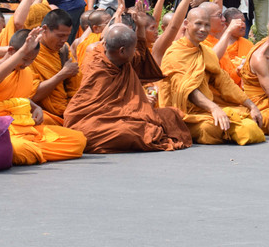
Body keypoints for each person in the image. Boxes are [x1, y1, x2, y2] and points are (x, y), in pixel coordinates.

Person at [63, 23, 192, 153]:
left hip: (124, 116)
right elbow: (108, 108)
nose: (135, 51)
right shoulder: (98, 67)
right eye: (133, 48)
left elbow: (140, 54)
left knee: (171, 114)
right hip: (92, 120)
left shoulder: (121, 60)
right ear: (122, 51)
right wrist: (139, 107)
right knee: (127, 131)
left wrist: (141, 26)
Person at [158, 7, 266, 145]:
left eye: (206, 25)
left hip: (205, 109)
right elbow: (188, 90)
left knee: (247, 116)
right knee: (210, 128)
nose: (203, 29)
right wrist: (214, 108)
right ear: (186, 24)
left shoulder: (206, 52)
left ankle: (230, 125)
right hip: (182, 114)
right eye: (198, 24)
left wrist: (251, 105)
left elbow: (224, 82)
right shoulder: (175, 53)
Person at [0, 27, 87, 165]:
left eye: (31, 60)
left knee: (78, 140)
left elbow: (19, 98)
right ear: (12, 51)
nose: (26, 64)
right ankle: (24, 150)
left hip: (26, 128)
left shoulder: (25, 72)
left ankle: (29, 151)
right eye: (24, 59)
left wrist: (35, 107)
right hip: (0, 130)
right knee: (19, 148)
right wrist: (23, 51)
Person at [27, 10, 81, 124]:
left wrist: (74, 109)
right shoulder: (29, 53)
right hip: (43, 112)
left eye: (67, 35)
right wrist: (63, 74)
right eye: (60, 35)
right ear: (45, 29)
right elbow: (33, 95)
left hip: (68, 109)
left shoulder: (64, 49)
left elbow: (75, 86)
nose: (64, 40)